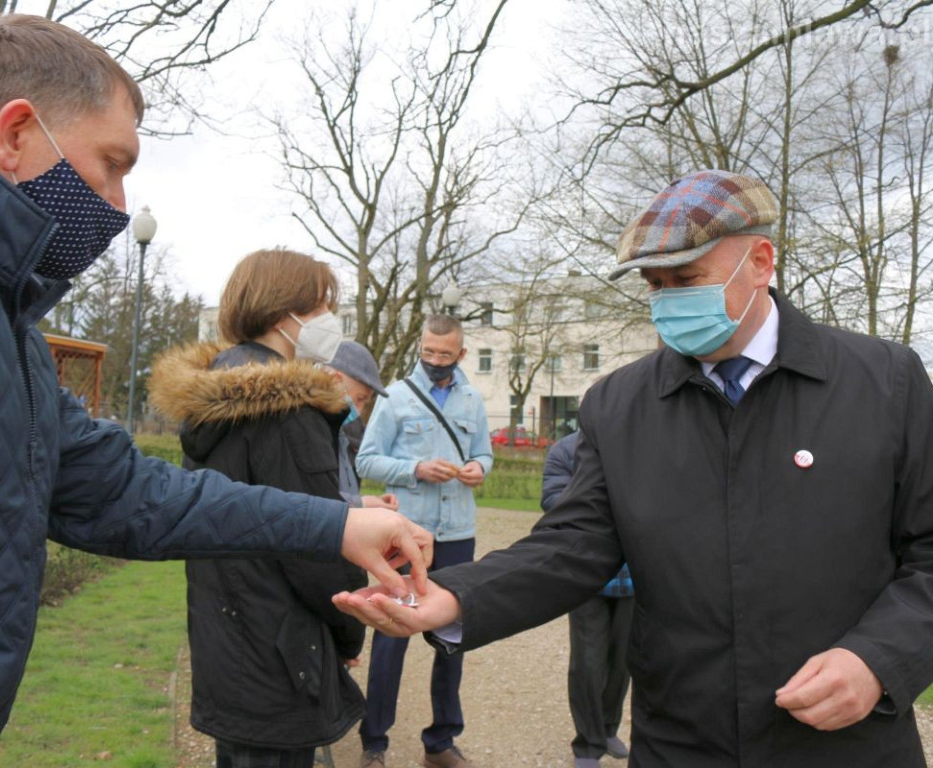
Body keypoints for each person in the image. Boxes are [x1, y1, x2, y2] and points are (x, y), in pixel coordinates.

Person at [0, 15, 431, 766]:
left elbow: (122, 492)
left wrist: (335, 527)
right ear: (16, 133)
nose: (120, 205)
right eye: (112, 161)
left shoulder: (6, 323)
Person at [334, 169, 933, 768]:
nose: (670, 299)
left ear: (761, 261)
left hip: (849, 747)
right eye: (656, 284)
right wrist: (453, 597)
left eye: (688, 279)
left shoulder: (886, 383)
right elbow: (573, 546)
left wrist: (878, 659)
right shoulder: (620, 404)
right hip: (681, 743)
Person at [147, 249, 371, 768]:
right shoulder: (287, 409)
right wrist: (349, 626)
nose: (327, 320)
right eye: (320, 307)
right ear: (281, 314)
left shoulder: (217, 400)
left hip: (230, 641)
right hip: (281, 651)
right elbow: (318, 541)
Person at [354, 314, 494, 768]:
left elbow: (484, 453)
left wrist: (479, 469)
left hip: (458, 535)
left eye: (444, 354)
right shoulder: (395, 397)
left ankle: (441, 742)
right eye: (428, 352)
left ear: (461, 354)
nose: (435, 361)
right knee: (391, 638)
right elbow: (366, 461)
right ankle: (374, 742)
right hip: (405, 537)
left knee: (452, 639)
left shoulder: (473, 399)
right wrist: (414, 469)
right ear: (421, 347)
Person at [542, 432, 634, 768]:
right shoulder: (565, 451)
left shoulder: (635, 444)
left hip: (635, 574)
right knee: (588, 663)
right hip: (584, 574)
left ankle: (608, 728)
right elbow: (553, 500)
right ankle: (588, 744)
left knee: (623, 660)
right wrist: (606, 501)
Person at [325, 340, 398, 510]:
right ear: (336, 380)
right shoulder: (307, 427)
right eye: (360, 399)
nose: (359, 410)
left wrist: (364, 502)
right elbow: (310, 499)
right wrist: (361, 503)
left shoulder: (338, 428)